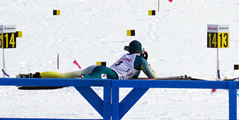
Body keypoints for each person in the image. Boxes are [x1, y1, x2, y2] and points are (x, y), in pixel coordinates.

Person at [18, 40, 157, 79]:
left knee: (63, 75)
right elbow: (152, 76)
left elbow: (133, 73)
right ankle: (81, 78)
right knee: (86, 79)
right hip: (110, 74)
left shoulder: (126, 56)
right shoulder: (140, 61)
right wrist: (147, 64)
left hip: (101, 69)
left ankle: (35, 76)